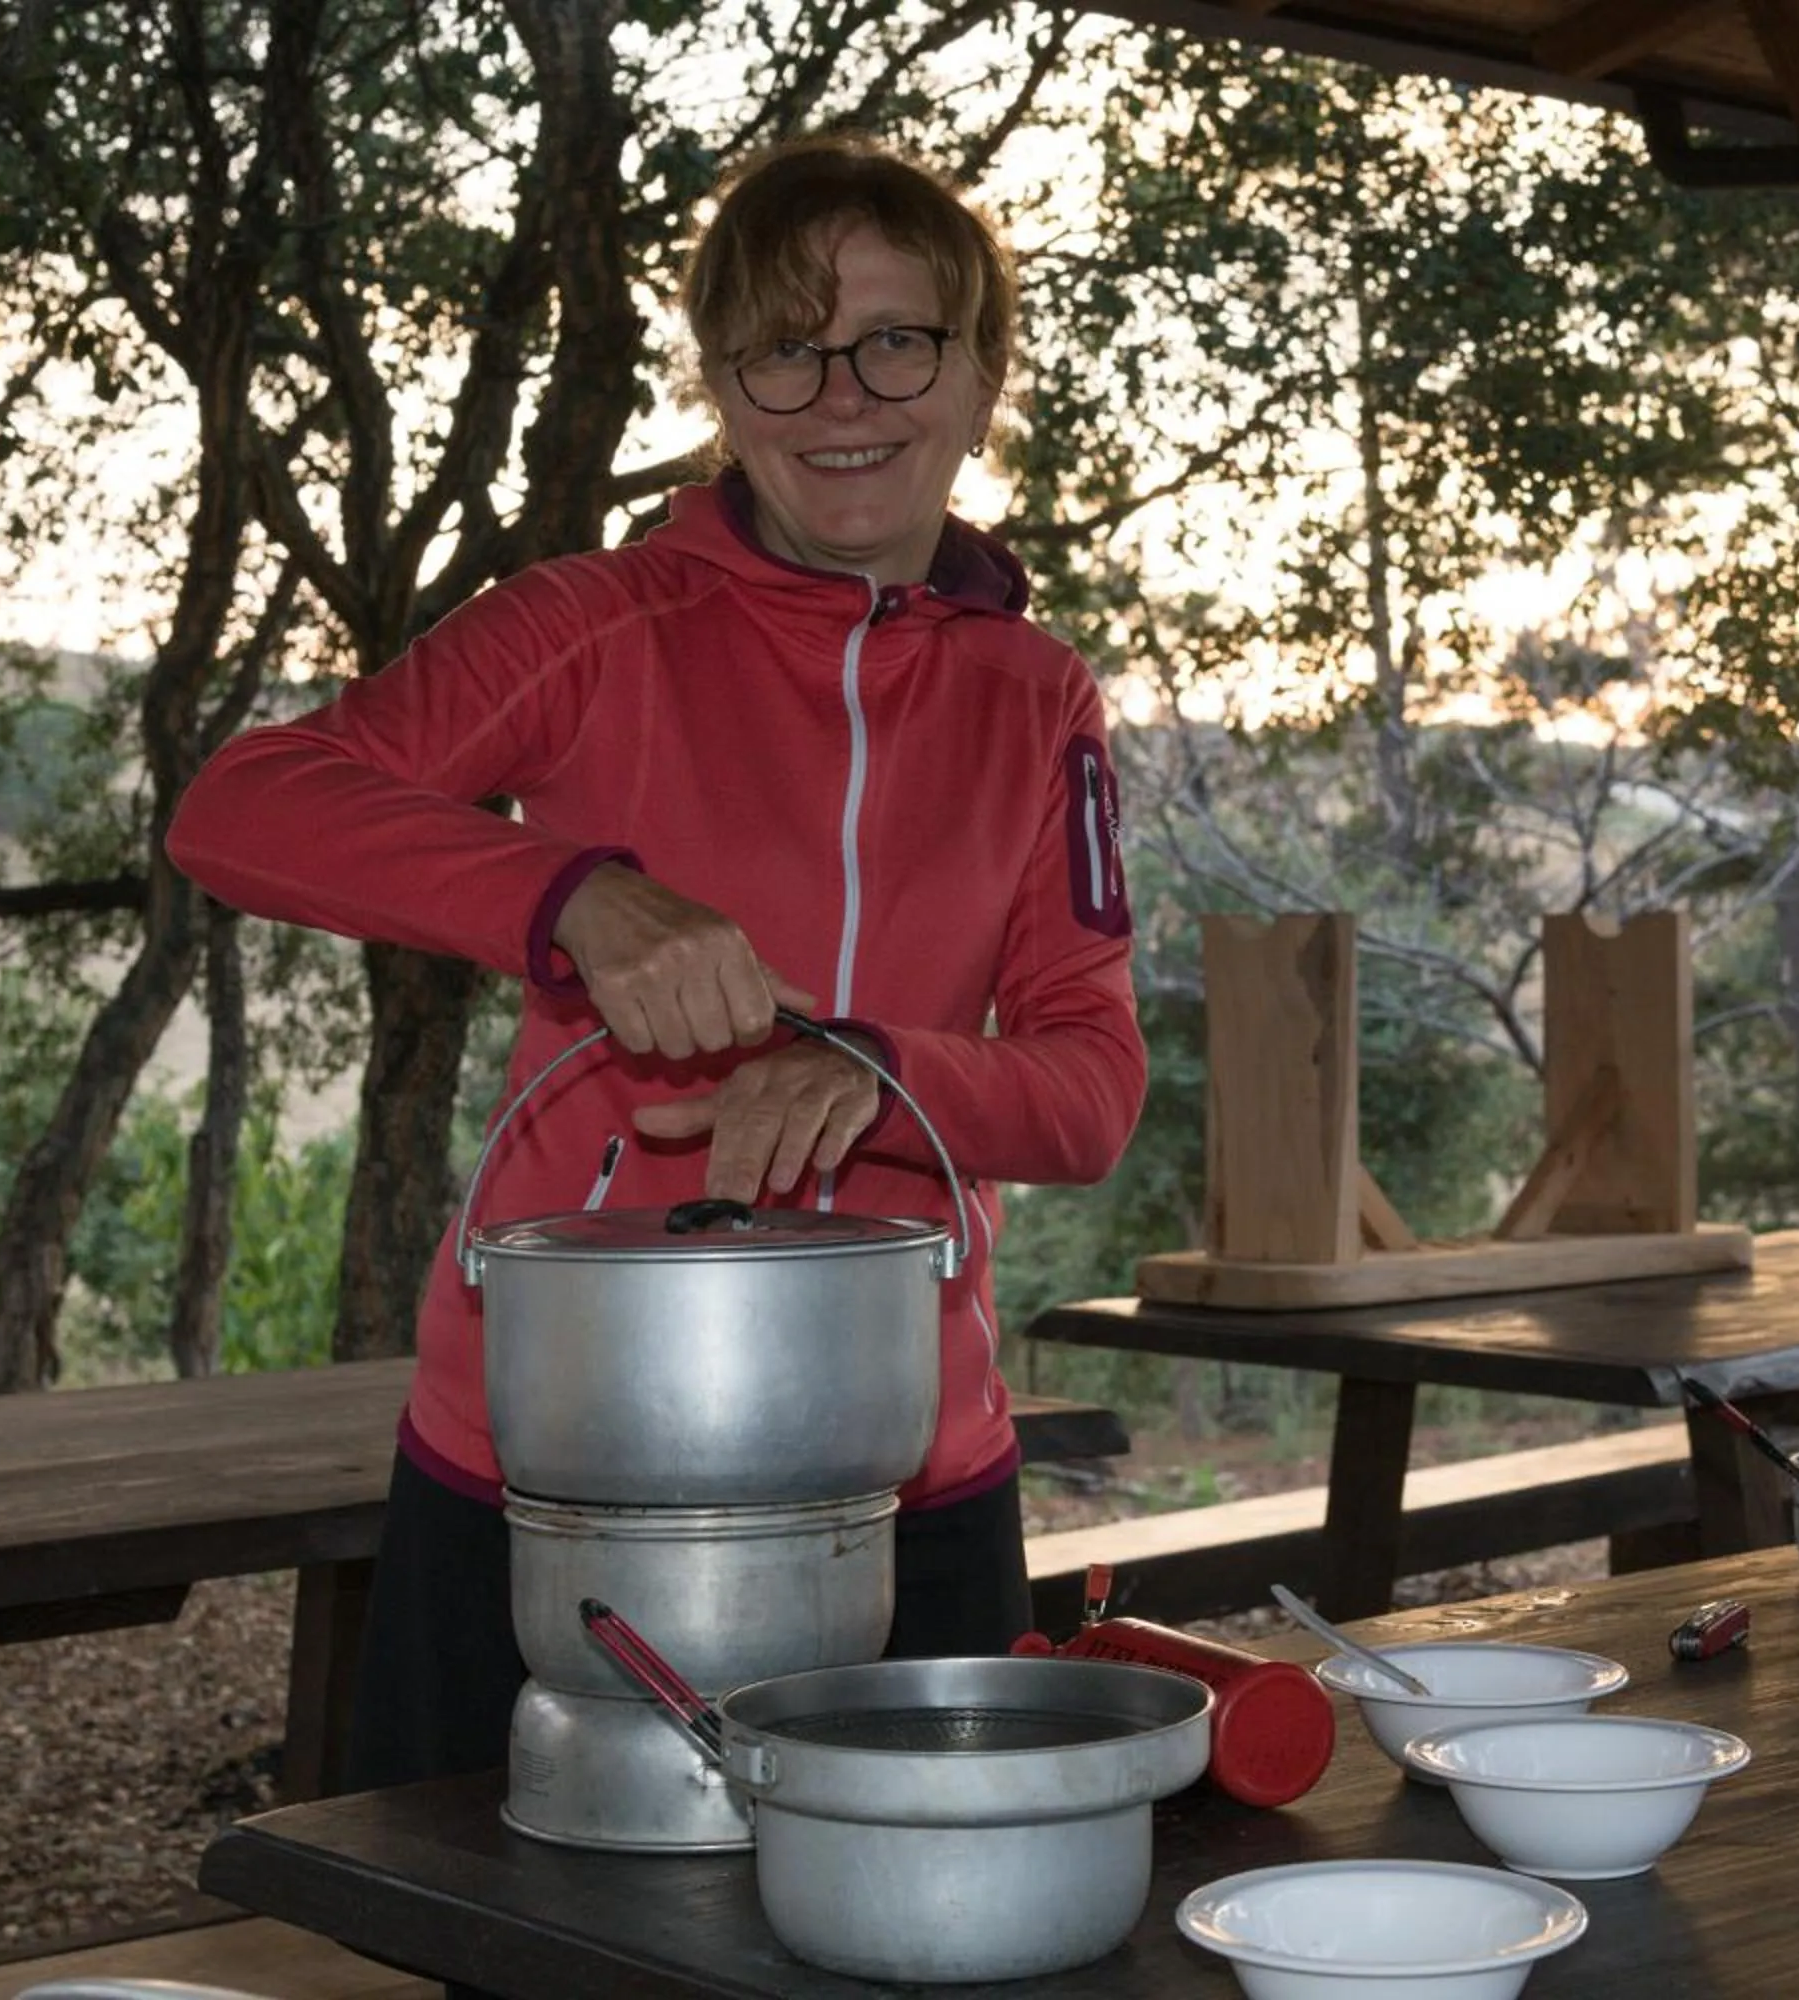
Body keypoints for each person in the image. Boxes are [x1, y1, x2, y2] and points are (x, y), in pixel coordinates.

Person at [166, 132, 1145, 1793]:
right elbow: (241, 811)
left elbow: (1090, 1090)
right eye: (785, 346)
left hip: (913, 1470)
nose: (844, 396)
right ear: (723, 384)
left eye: (899, 341)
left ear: (985, 376)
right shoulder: (589, 622)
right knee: (500, 1937)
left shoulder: (1038, 697)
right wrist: (571, 900)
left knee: (911, 1952)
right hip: (550, 1459)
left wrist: (876, 1069)